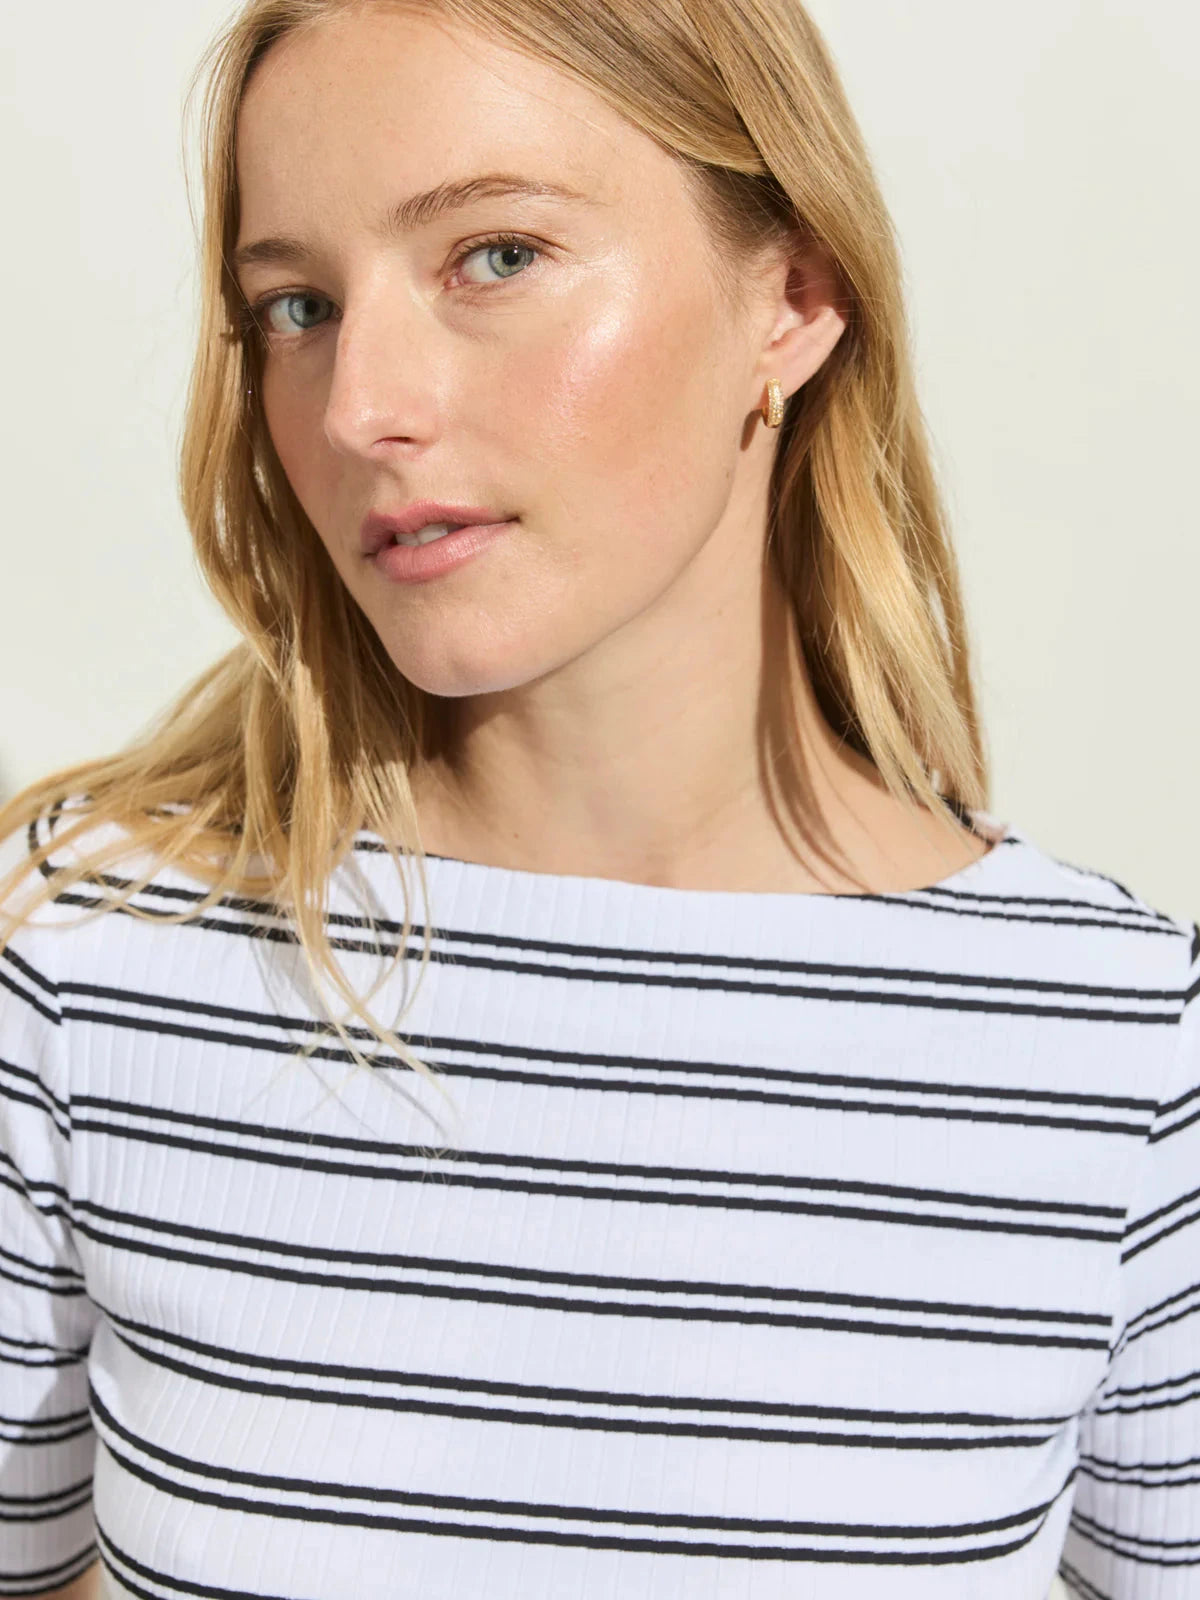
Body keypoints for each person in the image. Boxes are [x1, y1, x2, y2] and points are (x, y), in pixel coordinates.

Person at [1, 1, 1195, 1596]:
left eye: (495, 257)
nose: (357, 406)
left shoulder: (1121, 1050)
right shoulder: (88, 956)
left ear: (794, 298)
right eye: (298, 306)